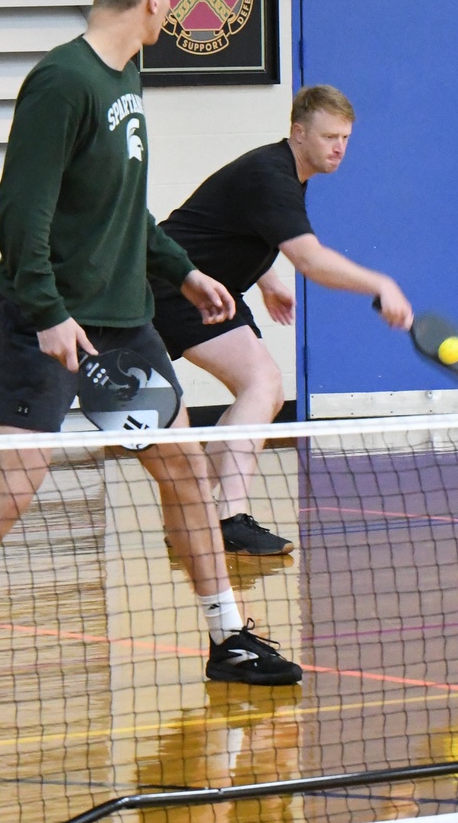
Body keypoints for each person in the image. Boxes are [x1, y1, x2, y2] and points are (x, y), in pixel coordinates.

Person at [0, 0, 302, 717]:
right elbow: (21, 213)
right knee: (14, 488)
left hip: (123, 321)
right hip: (39, 321)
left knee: (182, 473)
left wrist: (180, 267)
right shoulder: (62, 82)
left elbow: (122, 209)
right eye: (171, 0)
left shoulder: (127, 75)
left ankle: (228, 637)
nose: (171, 10)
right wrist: (48, 314)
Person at [151, 85, 413, 556]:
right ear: (297, 133)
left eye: (346, 138)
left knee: (264, 391)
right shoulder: (270, 174)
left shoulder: (287, 174)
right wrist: (381, 284)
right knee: (263, 383)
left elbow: (242, 227)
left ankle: (195, 517)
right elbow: (311, 261)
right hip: (175, 286)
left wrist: (268, 276)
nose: (339, 147)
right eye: (330, 136)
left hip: (212, 288)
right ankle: (227, 517)